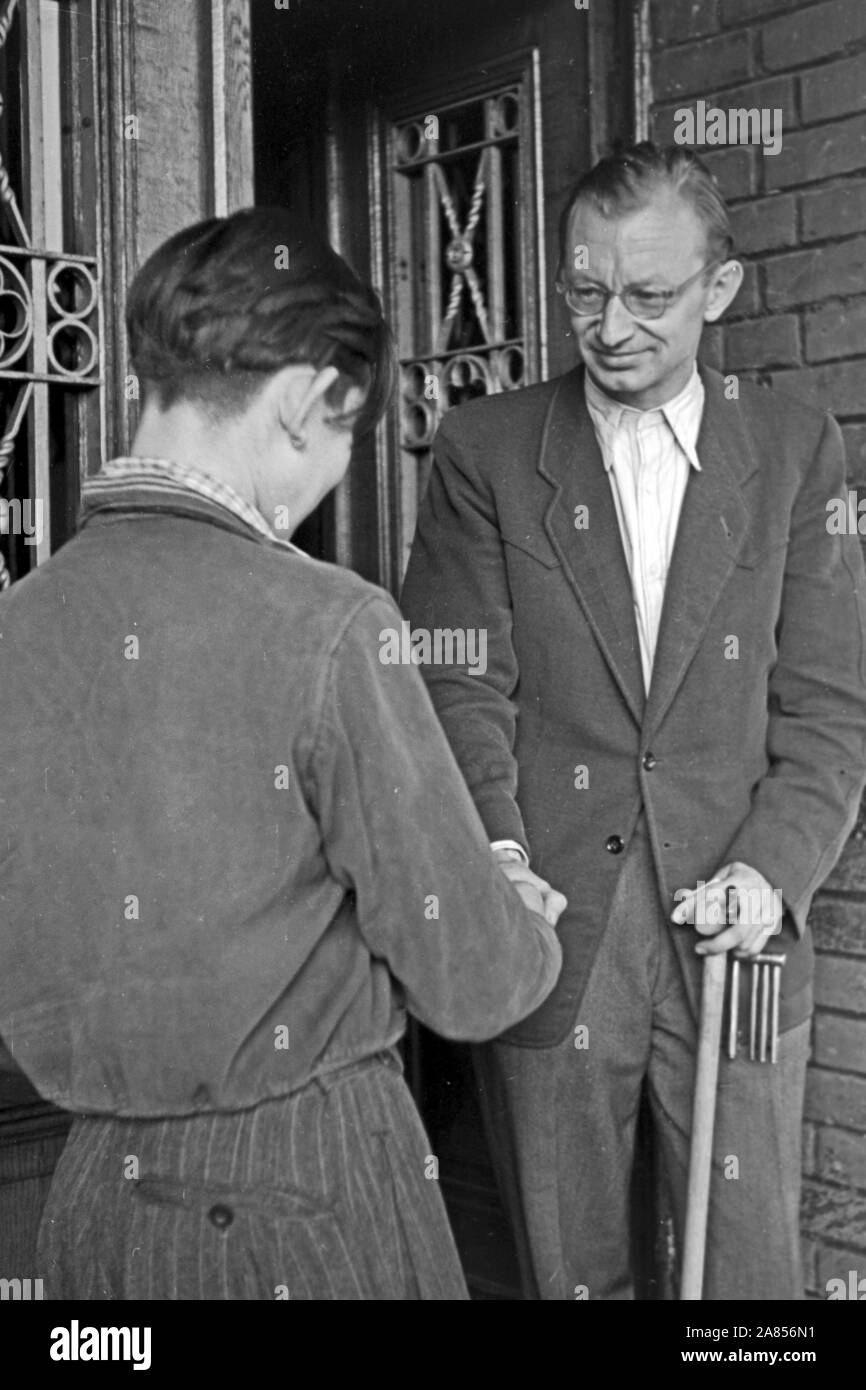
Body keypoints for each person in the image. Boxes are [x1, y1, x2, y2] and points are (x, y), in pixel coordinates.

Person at [0, 207, 563, 1301]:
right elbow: (473, 979)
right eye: (349, 431)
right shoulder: (329, 622)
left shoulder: (18, 625)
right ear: (309, 398)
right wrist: (515, 913)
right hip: (301, 1194)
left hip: (85, 1212)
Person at [401, 142, 866, 1301]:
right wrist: (499, 857)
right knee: (563, 1272)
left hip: (737, 926)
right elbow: (458, 683)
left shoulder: (796, 448)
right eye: (583, 292)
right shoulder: (482, 452)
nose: (609, 326)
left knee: (749, 1286)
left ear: (719, 289)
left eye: (648, 295)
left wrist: (769, 871)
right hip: (553, 927)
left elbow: (827, 703)